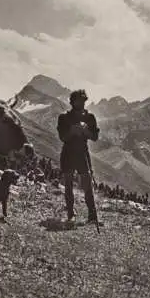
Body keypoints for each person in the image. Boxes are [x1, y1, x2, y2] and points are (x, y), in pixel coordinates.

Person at [57, 89, 100, 223]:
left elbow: (95, 137)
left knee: (87, 184)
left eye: (83, 100)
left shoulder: (90, 117)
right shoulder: (64, 118)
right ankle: (71, 213)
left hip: (82, 153)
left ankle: (92, 216)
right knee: (68, 185)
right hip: (68, 153)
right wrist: (73, 130)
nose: (82, 103)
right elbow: (62, 137)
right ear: (72, 102)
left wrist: (85, 131)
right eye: (79, 100)